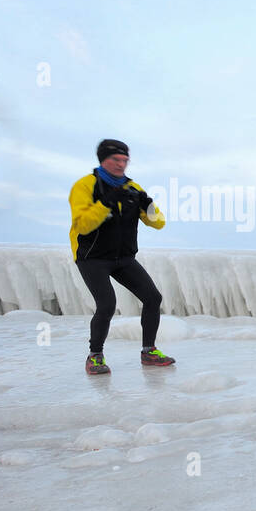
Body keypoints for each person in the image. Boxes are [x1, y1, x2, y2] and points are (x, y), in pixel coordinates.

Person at [69, 139, 176, 374]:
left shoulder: (133, 188)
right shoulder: (85, 186)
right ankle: (95, 356)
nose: (121, 164)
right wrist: (106, 203)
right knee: (107, 305)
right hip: (92, 257)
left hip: (123, 258)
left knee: (152, 298)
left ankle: (149, 351)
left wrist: (148, 206)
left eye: (125, 160)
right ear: (103, 160)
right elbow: (83, 224)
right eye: (115, 160)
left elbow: (158, 223)